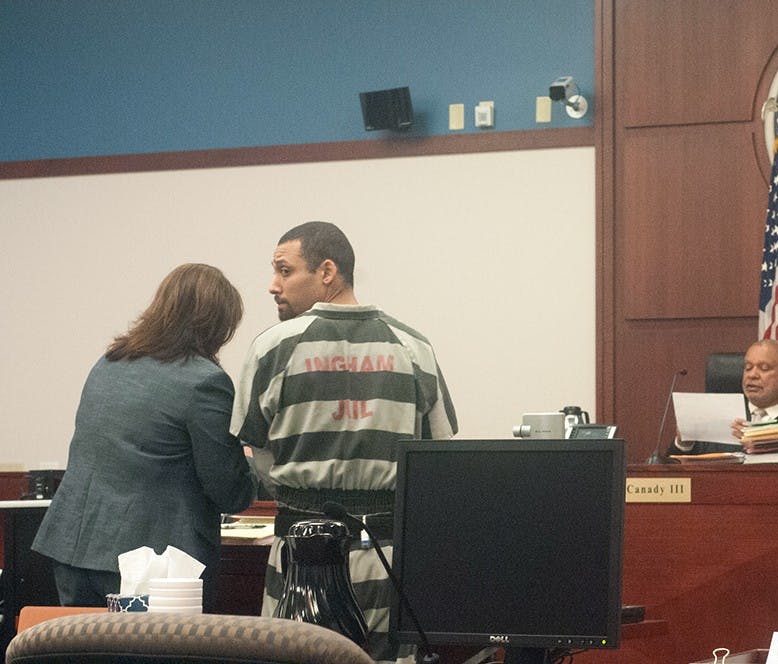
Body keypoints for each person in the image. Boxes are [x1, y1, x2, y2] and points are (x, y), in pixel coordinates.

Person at [231, 221, 458, 664]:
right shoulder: (414, 347)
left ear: (327, 272)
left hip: (300, 555)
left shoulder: (271, 348)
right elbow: (438, 457)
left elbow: (258, 457)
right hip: (387, 559)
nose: (272, 286)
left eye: (284, 270)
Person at [32, 263, 256, 610]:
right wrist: (253, 469)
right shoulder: (205, 382)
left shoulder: (108, 363)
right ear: (216, 325)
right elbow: (228, 490)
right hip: (151, 565)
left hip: (73, 547)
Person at [673, 338, 778, 454]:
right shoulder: (714, 419)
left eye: (764, 368)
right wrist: (684, 444)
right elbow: (673, 471)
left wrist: (761, 448)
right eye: (748, 367)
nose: (752, 375)